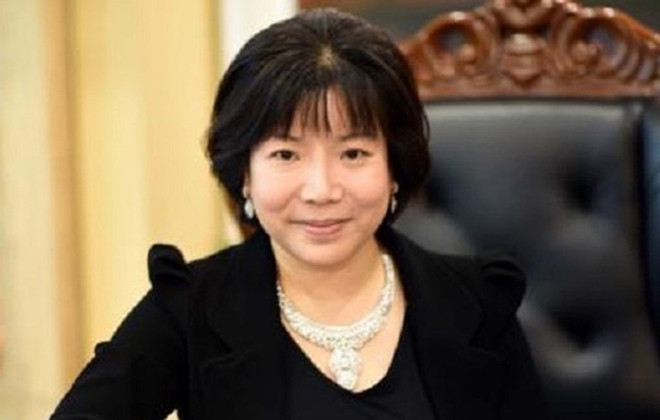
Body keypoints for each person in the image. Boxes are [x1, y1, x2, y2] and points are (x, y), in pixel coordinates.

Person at [51, 8, 547, 420]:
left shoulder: (479, 304)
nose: (321, 190)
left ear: (395, 167)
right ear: (244, 173)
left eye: (353, 153)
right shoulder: (189, 309)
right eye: (286, 154)